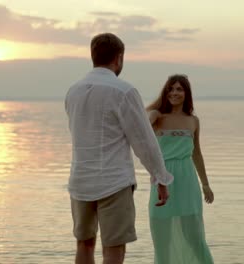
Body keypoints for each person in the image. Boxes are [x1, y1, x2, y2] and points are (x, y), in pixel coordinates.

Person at [64, 32, 174, 264]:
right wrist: (160, 177)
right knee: (114, 249)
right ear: (119, 58)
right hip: (113, 182)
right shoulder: (123, 91)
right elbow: (143, 141)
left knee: (84, 244)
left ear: (93, 56)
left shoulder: (73, 91)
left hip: (80, 181)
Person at [147, 74, 215, 264]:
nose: (174, 93)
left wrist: (206, 184)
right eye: (171, 89)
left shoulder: (193, 121)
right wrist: (151, 114)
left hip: (187, 180)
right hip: (162, 178)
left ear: (186, 94)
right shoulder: (157, 116)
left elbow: (197, 153)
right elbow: (140, 128)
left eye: (179, 89)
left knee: (194, 236)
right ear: (165, 92)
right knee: (162, 237)